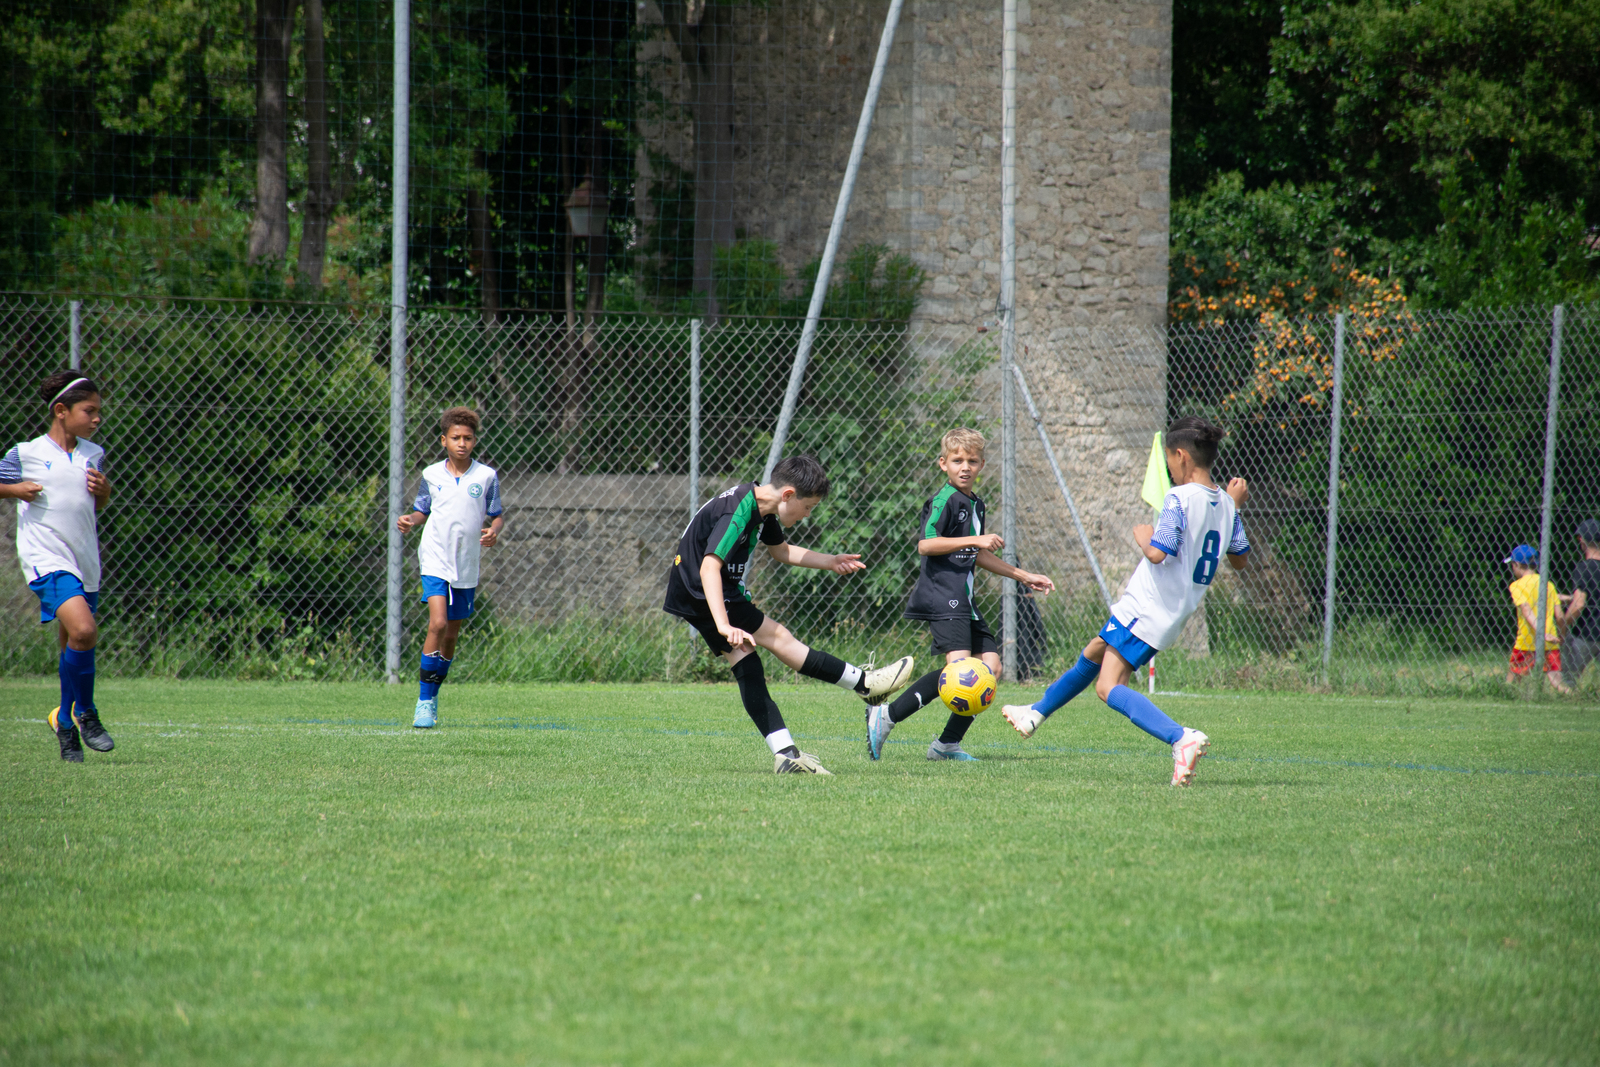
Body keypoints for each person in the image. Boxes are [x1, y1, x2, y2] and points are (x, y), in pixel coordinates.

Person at [999, 416, 1249, 786]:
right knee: (1095, 649)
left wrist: (1144, 536)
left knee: (1108, 686)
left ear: (1181, 456)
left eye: (1168, 460)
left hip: (1148, 606)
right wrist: (1235, 508)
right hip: (1174, 609)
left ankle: (1180, 737)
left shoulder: (1178, 497)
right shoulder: (1227, 504)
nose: (1169, 468)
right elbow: (1240, 559)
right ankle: (1034, 714)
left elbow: (1158, 553)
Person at [664, 455, 915, 774]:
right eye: (807, 507)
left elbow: (781, 551)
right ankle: (864, 684)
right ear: (788, 495)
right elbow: (709, 567)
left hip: (705, 590)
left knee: (754, 659)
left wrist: (830, 561)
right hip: (702, 589)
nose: (808, 514)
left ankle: (787, 753)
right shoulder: (737, 512)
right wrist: (724, 625)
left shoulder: (761, 505)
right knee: (774, 641)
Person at [865, 427, 1055, 762]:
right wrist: (974, 539)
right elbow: (926, 544)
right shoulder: (944, 500)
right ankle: (887, 715)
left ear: (981, 464)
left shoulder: (975, 504)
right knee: (960, 671)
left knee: (991, 669)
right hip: (942, 595)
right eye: (957, 460)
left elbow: (977, 554)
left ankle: (946, 745)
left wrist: (1024, 576)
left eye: (972, 461)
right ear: (943, 464)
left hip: (964, 600)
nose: (964, 467)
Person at [0, 371, 115, 762]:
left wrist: (104, 493)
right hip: (46, 558)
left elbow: (93, 506)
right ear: (61, 411)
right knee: (84, 630)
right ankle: (87, 714)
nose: (97, 418)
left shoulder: (93, 453)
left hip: (84, 559)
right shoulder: (25, 453)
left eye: (98, 411)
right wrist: (14, 489)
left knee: (74, 644)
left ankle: (64, 721)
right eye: (89, 411)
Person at [396, 407, 504, 728]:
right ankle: (423, 702)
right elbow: (422, 510)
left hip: (465, 563)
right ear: (444, 440)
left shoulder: (486, 476)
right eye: (456, 438)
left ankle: (433, 695)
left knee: (451, 635)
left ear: (474, 441)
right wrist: (410, 520)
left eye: (468, 438)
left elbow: (496, 514)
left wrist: (494, 530)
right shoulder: (432, 474)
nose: (462, 443)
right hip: (434, 557)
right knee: (438, 623)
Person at [1503, 544, 1570, 693]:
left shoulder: (1517, 586)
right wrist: (1561, 635)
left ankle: (1506, 699)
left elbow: (1526, 610)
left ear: (1517, 565)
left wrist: (1542, 633)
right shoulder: (1548, 584)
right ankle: (1574, 698)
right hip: (1550, 641)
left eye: (1512, 565)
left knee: (1512, 682)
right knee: (1557, 682)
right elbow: (1560, 616)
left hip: (1527, 641)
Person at [1559, 520, 1600, 689]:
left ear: (1581, 540)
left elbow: (1579, 604)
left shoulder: (1585, 567)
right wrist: (1570, 598)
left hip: (1586, 633)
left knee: (1568, 678)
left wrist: (1563, 624)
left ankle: (1569, 695)